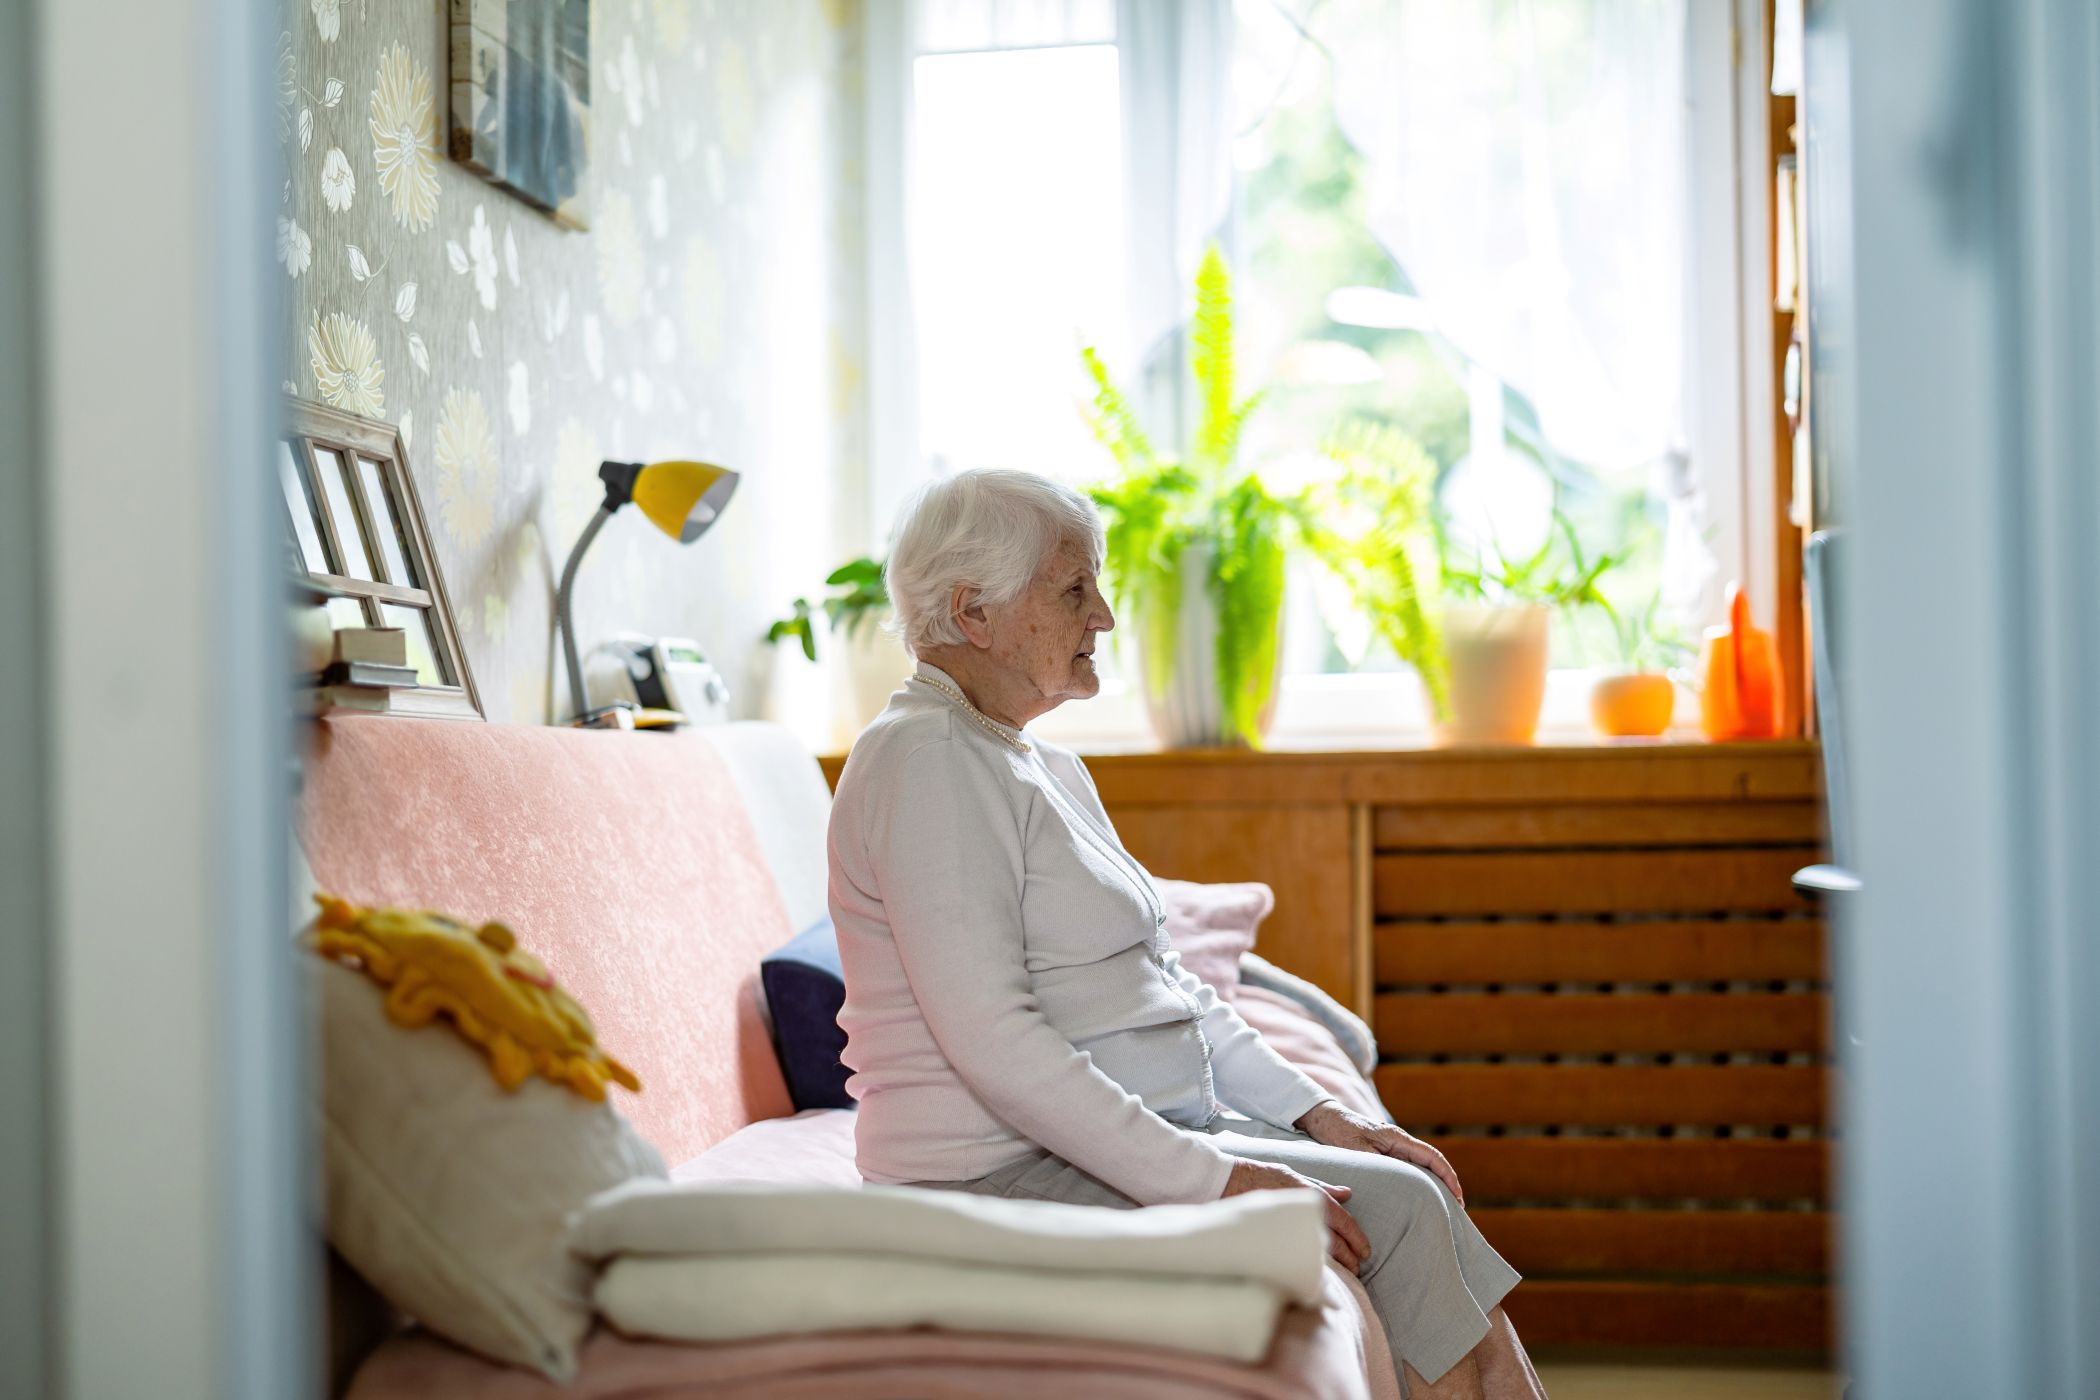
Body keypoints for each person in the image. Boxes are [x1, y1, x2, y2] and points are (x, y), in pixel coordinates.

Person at [828, 468, 1545, 1399]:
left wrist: (1320, 1113)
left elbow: (1169, 984)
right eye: (1074, 589)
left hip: (1125, 1134)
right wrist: (1218, 1181)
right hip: (990, 1176)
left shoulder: (1034, 759)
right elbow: (993, 1044)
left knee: (1411, 1189)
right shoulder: (923, 759)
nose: (1107, 617)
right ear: (975, 612)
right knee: (1400, 1210)